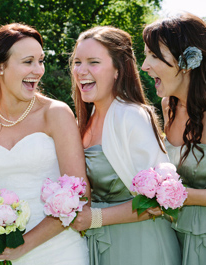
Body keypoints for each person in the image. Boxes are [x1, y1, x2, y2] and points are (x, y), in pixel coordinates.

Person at [0, 23, 89, 264]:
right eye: (28, 61)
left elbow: (80, 194)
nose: (38, 70)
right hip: (4, 252)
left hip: (61, 249)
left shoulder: (56, 114)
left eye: (40, 61)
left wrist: (23, 246)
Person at [66, 26, 180, 265]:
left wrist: (94, 219)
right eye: (77, 62)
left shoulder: (132, 116)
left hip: (142, 246)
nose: (81, 71)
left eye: (93, 62)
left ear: (118, 69)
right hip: (102, 244)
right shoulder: (81, 123)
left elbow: (157, 202)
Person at [141, 13, 206, 265]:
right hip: (183, 237)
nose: (144, 65)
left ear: (186, 61)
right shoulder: (168, 106)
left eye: (154, 55)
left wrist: (185, 195)